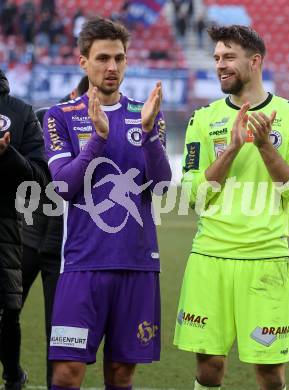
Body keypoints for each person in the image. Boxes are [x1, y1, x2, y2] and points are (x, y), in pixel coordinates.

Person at [174, 25, 289, 390]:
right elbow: (194, 196)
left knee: (269, 373)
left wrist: (266, 147)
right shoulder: (203, 120)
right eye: (217, 58)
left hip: (267, 259)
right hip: (210, 258)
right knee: (209, 368)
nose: (220, 65)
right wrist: (232, 149)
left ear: (255, 62)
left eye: (229, 57)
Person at [42, 17, 171, 389]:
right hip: (83, 264)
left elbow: (161, 184)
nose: (111, 67)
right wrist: (98, 139)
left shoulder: (145, 114)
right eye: (102, 58)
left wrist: (147, 135)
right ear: (83, 62)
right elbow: (64, 186)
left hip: (137, 264)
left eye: (119, 58)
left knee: (121, 373)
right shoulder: (60, 117)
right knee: (66, 374)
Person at [20, 75, 89, 389]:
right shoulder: (41, 119)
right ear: (75, 94)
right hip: (26, 235)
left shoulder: (101, 132)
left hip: (64, 249)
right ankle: (11, 372)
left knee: (58, 333)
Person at [0, 69, 48, 389]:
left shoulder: (18, 112)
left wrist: (7, 155)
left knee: (6, 313)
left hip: (4, 230)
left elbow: (41, 179)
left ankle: (13, 375)